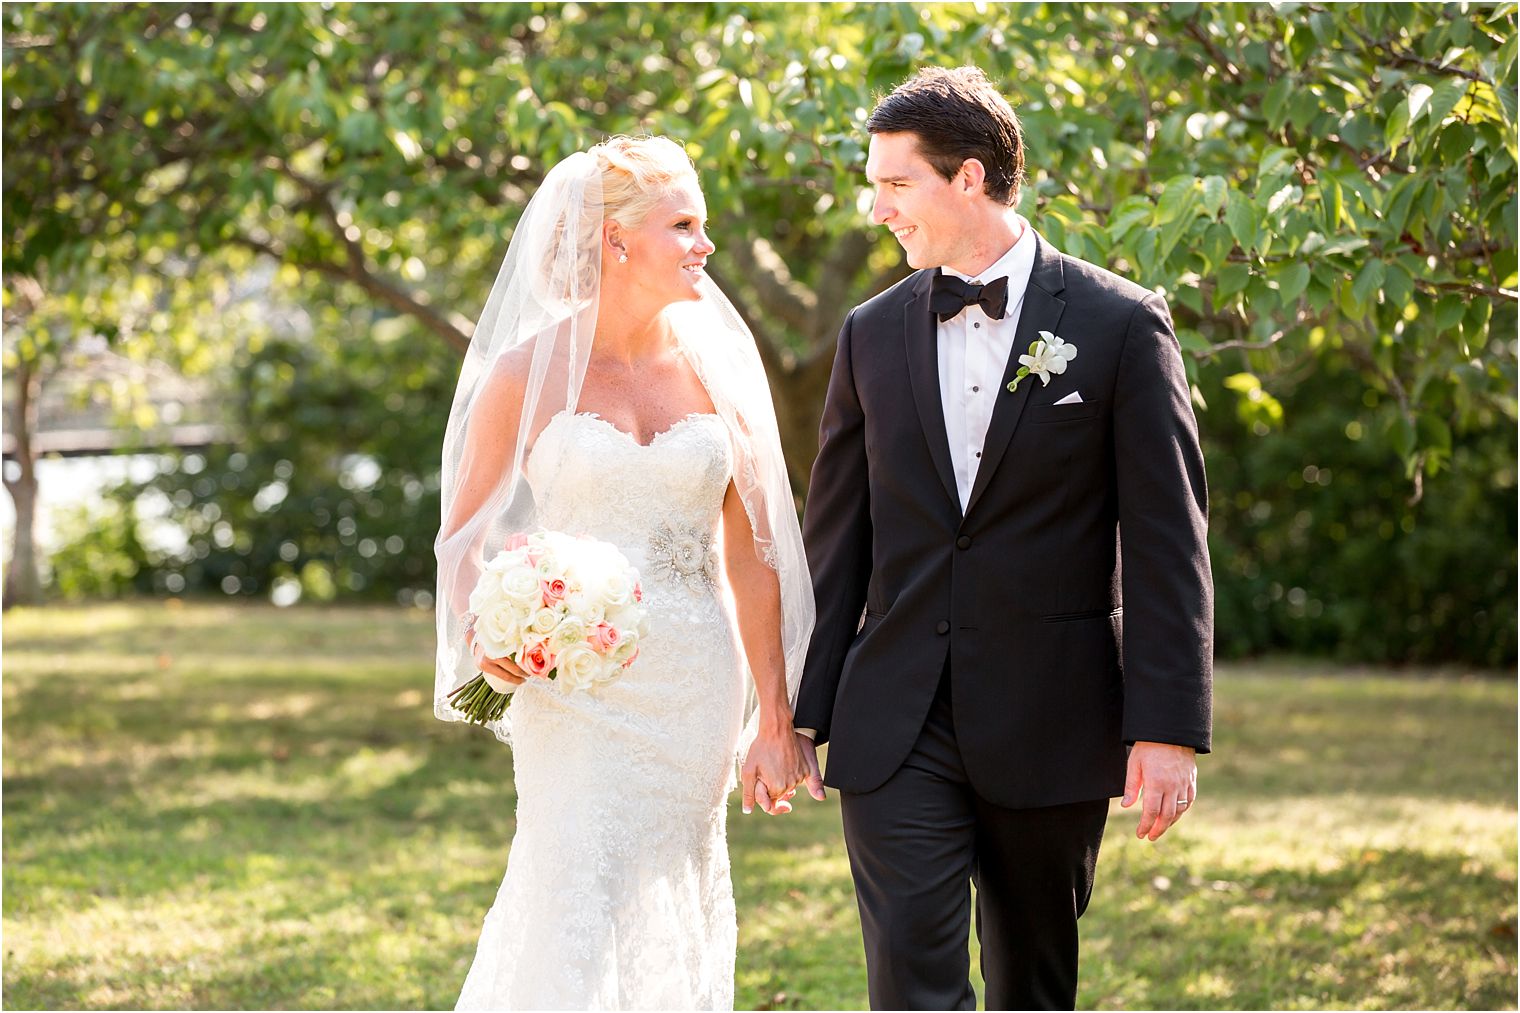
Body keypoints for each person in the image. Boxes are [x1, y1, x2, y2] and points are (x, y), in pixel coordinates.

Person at [790, 67, 1214, 1010]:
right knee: (909, 971)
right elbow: (838, 538)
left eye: (896, 184)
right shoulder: (869, 334)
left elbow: (1165, 539)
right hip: (897, 716)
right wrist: (797, 713)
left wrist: (1167, 726)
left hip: (1051, 715)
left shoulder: (1119, 323)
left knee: (1033, 980)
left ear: (968, 178)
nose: (879, 208)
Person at [433, 135, 815, 1011]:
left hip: (693, 687)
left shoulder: (721, 372)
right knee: (573, 883)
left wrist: (774, 714)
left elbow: (753, 552)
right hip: (573, 687)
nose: (704, 245)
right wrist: (495, 641)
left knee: (673, 896)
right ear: (615, 241)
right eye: (683, 224)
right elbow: (463, 539)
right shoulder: (524, 375)